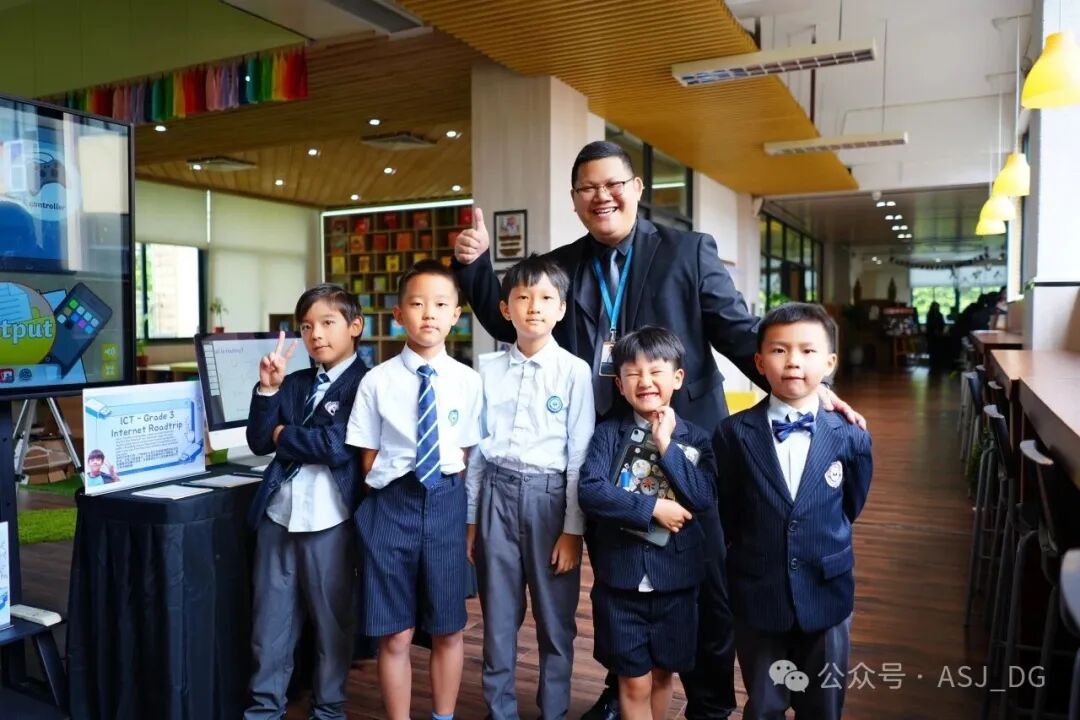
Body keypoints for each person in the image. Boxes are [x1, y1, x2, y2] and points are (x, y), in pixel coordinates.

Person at [454, 140, 865, 720]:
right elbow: (514, 318)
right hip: (610, 448)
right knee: (621, 581)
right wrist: (474, 266)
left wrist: (802, 386)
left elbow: (739, 332)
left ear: (637, 189)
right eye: (588, 188)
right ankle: (623, 687)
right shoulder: (563, 266)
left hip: (687, 445)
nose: (602, 196)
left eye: (613, 184)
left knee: (704, 582)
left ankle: (709, 702)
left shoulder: (687, 251)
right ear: (574, 199)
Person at [712, 303, 873, 720]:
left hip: (827, 588)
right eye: (779, 350)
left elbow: (850, 504)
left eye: (807, 350)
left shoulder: (851, 434)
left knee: (824, 706)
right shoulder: (732, 434)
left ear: (830, 362)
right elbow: (728, 509)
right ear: (759, 362)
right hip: (758, 590)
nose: (793, 361)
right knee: (764, 704)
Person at [346, 260, 483, 720]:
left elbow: (467, 454)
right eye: (417, 304)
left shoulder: (468, 381)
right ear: (398, 314)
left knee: (448, 628)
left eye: (440, 305)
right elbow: (367, 458)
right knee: (396, 633)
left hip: (445, 503)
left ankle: (443, 716)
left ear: (456, 315)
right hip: (391, 506)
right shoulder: (376, 380)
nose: (429, 314)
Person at [466, 254, 595, 719]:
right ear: (506, 309)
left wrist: (573, 530)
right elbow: (477, 450)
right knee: (498, 619)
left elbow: (579, 453)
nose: (534, 307)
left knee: (555, 620)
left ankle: (553, 711)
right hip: (495, 496)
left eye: (545, 298)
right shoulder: (486, 369)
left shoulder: (575, 371)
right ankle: (499, 711)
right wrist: (471, 520)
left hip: (550, 499)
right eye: (522, 297)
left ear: (561, 309)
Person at [578, 327, 717, 720]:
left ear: (677, 378)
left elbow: (702, 497)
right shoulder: (608, 435)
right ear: (619, 384)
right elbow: (591, 491)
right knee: (633, 681)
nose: (645, 381)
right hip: (620, 582)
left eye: (656, 371)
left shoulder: (696, 439)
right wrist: (653, 508)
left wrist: (667, 444)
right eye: (633, 373)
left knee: (662, 675)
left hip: (676, 582)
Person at [243, 283, 368, 720]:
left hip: (331, 520)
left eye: (328, 323)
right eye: (307, 326)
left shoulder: (366, 383)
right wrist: (267, 392)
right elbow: (260, 440)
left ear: (355, 326)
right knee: (269, 626)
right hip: (279, 516)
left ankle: (328, 710)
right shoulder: (294, 383)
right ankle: (264, 710)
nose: (316, 334)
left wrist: (284, 434)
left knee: (332, 626)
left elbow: (334, 446)